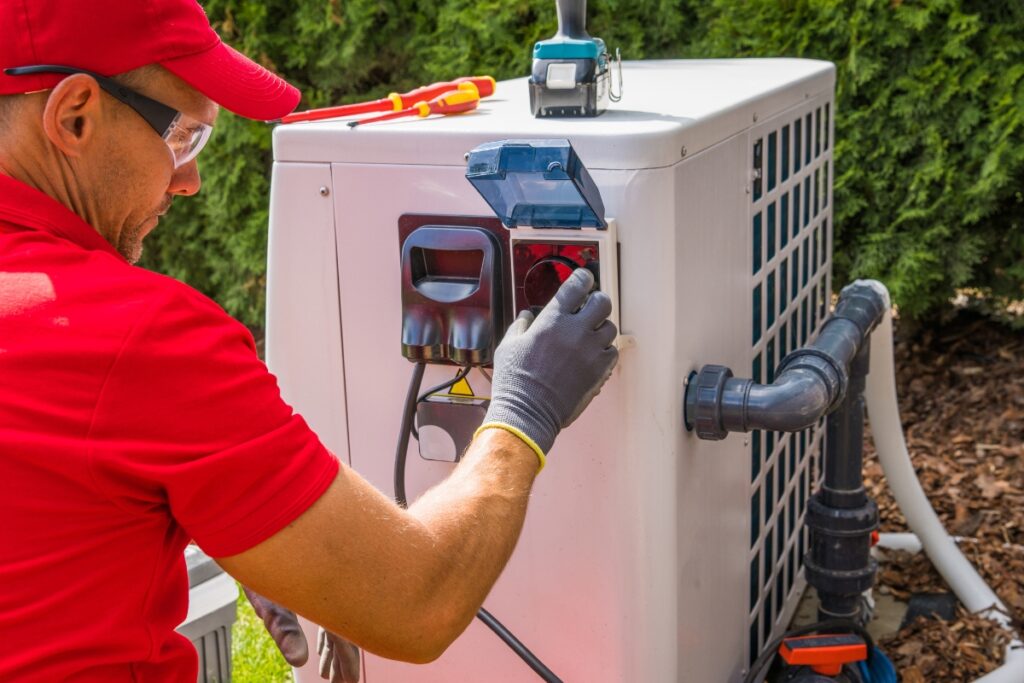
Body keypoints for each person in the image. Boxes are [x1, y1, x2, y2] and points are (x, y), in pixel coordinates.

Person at [0, 1, 619, 681]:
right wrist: (523, 412)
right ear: (74, 116)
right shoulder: (137, 338)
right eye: (182, 138)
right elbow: (417, 600)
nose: (190, 180)